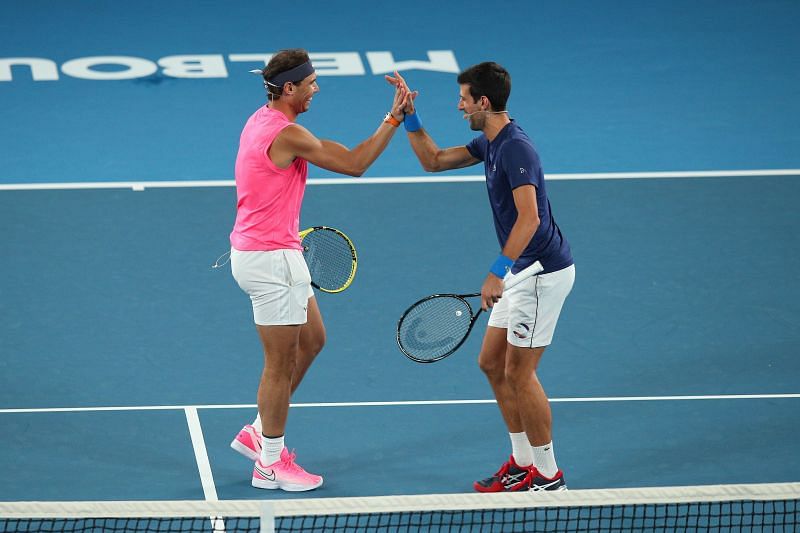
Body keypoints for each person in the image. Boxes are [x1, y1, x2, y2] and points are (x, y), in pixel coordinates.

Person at [228, 49, 409, 492]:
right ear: (289, 88)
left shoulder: (260, 118)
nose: (317, 88)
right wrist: (393, 119)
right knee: (279, 364)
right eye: (310, 83)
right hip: (272, 261)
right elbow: (354, 164)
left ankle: (257, 430)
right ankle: (269, 462)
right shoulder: (288, 135)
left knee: (312, 340)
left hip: (262, 253)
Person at [387, 63, 574, 492]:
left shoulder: (515, 149)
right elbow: (433, 161)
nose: (459, 105)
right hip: (521, 270)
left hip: (541, 272)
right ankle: (522, 462)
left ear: (483, 102)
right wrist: (409, 115)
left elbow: (530, 218)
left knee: (521, 374)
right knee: (491, 363)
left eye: (463, 99)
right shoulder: (490, 142)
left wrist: (497, 271)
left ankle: (549, 475)